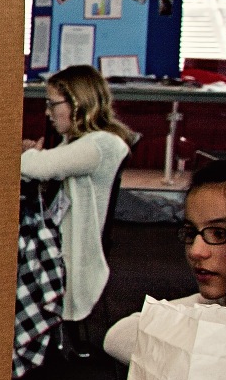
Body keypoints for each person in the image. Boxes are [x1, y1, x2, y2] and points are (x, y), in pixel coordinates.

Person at [20, 65, 138, 325]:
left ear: (78, 103)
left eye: (52, 104)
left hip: (69, 256)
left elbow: (38, 166)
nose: (47, 112)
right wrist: (33, 156)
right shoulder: (85, 142)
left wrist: (29, 155)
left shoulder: (100, 144)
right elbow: (44, 164)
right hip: (60, 242)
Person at [105, 156, 226, 365]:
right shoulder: (214, 306)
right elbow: (119, 336)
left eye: (219, 234)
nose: (195, 251)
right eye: (191, 232)